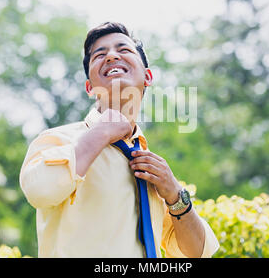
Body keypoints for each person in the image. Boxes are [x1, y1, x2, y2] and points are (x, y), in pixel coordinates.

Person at [19, 22, 219, 258]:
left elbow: (197, 253)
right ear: (89, 88)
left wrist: (175, 193)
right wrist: (102, 132)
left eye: (123, 50)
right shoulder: (58, 140)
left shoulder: (153, 171)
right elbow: (40, 190)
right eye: (99, 55)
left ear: (147, 76)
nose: (112, 56)